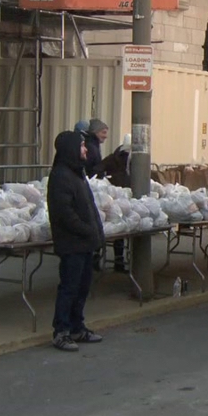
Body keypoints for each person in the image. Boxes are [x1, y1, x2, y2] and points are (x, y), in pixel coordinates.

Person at [47, 130, 106, 351]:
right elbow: (65, 213)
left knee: (82, 288)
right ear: (71, 149)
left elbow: (87, 207)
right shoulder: (61, 176)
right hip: (72, 243)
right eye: (82, 146)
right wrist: (87, 230)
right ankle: (61, 331)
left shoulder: (77, 174)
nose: (86, 149)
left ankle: (77, 326)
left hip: (84, 243)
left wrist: (95, 234)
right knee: (69, 288)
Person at [100, 134, 132, 272]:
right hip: (124, 195)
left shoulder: (113, 157)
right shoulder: (132, 158)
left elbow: (98, 168)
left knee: (112, 226)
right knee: (120, 227)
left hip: (113, 196)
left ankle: (98, 259)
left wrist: (106, 181)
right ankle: (119, 261)